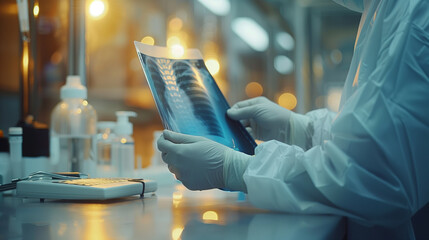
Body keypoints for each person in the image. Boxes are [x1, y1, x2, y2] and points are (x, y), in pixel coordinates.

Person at [157, 0, 429, 236]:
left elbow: (372, 175)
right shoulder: (386, 9)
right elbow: (382, 135)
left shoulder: (410, 11)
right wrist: (300, 129)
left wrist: (237, 169)